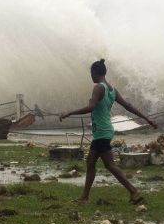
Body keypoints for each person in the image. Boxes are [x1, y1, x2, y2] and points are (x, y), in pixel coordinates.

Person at [60, 59, 157, 204]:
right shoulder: (112, 90)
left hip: (101, 131)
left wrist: (69, 113)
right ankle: (86, 197)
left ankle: (132, 191)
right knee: (93, 162)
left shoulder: (98, 88)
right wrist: (147, 119)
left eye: (91, 73)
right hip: (105, 130)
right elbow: (128, 106)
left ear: (95, 73)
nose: (90, 77)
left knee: (107, 164)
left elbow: (91, 107)